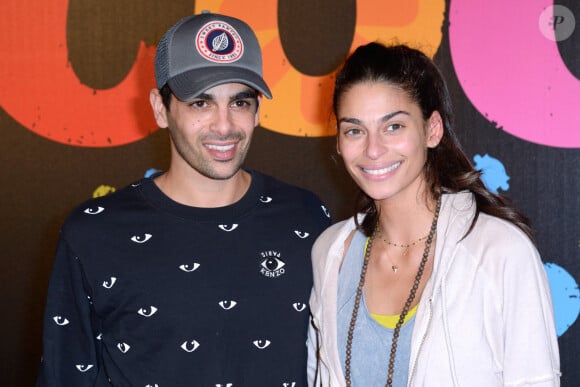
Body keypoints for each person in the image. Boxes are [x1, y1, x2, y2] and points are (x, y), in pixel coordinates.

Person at [36, 11, 331, 386]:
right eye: (200, 103)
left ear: (258, 111)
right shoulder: (94, 233)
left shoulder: (306, 219)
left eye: (239, 102)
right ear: (161, 109)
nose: (224, 126)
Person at [307, 42, 560, 386]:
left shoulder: (498, 252)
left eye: (393, 126)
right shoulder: (330, 253)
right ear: (338, 141)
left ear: (432, 130)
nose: (373, 149)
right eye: (354, 130)